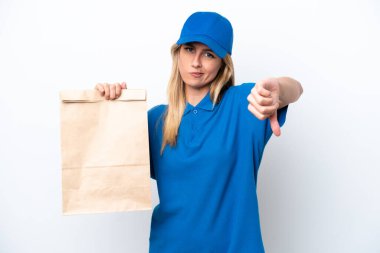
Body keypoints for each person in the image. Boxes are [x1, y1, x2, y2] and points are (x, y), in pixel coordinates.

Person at [95, 11, 302, 253]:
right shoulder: (156, 120)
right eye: (190, 49)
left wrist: (279, 89)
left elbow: (295, 88)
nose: (196, 62)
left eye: (208, 54)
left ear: (223, 63)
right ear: (177, 54)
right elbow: (110, 170)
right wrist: (109, 107)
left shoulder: (243, 106)